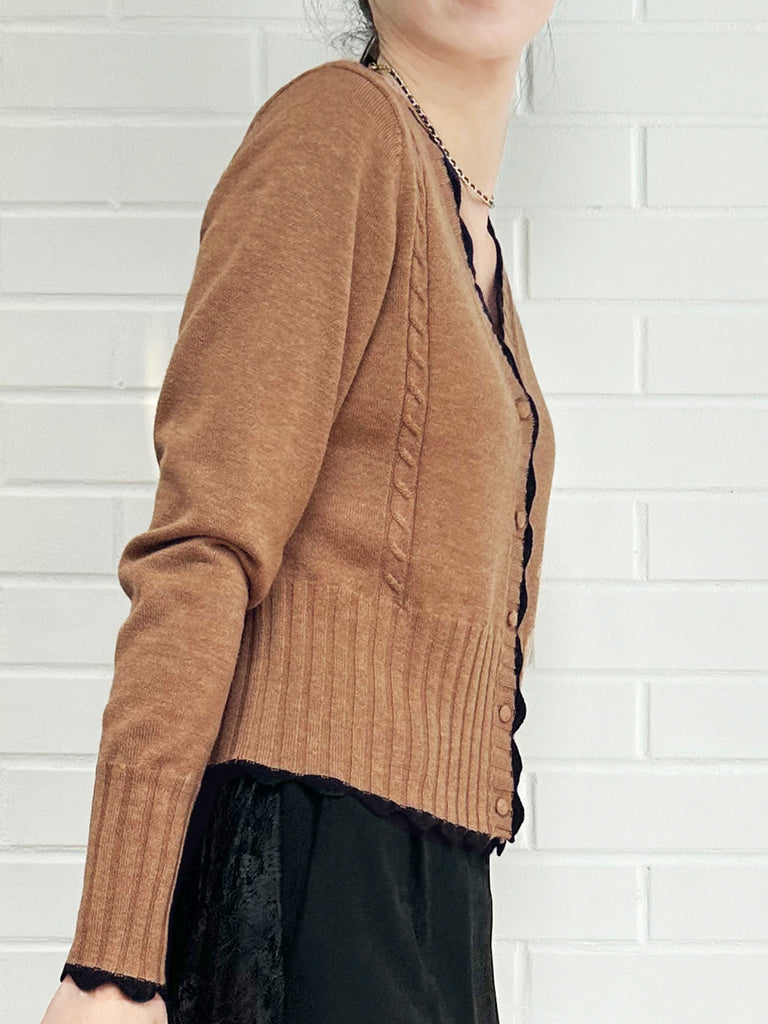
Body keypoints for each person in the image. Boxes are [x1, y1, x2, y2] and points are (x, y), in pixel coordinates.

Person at [41, 1, 556, 1021]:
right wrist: (112, 961)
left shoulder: (470, 237)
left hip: (431, 876)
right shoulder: (337, 131)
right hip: (312, 861)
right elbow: (204, 539)